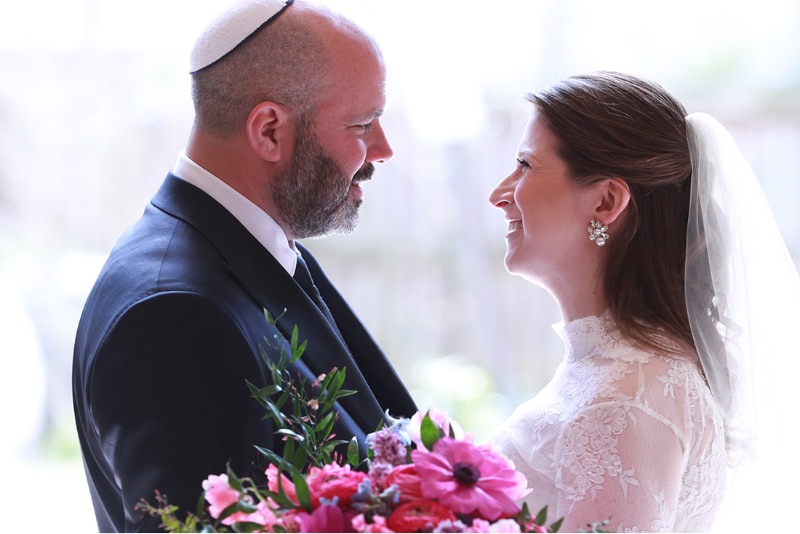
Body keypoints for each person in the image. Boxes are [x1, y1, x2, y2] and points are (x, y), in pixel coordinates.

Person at [72, 1, 417, 531]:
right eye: (363, 123)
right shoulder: (174, 316)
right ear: (269, 131)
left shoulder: (250, 248)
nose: (384, 148)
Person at [488, 71, 800, 532]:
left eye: (526, 166)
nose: (499, 194)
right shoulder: (625, 371)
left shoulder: (624, 402)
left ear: (606, 201)